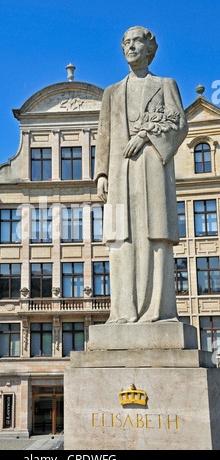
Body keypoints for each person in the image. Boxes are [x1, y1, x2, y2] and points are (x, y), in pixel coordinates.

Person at [94, 26, 188, 323]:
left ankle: (157, 312)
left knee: (154, 235)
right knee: (120, 239)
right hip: (119, 176)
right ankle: (122, 312)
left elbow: (179, 124)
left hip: (152, 171)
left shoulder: (165, 84)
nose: (131, 46)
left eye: (137, 42)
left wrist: (147, 135)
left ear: (150, 50)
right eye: (126, 42)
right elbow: (104, 135)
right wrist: (101, 174)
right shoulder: (111, 92)